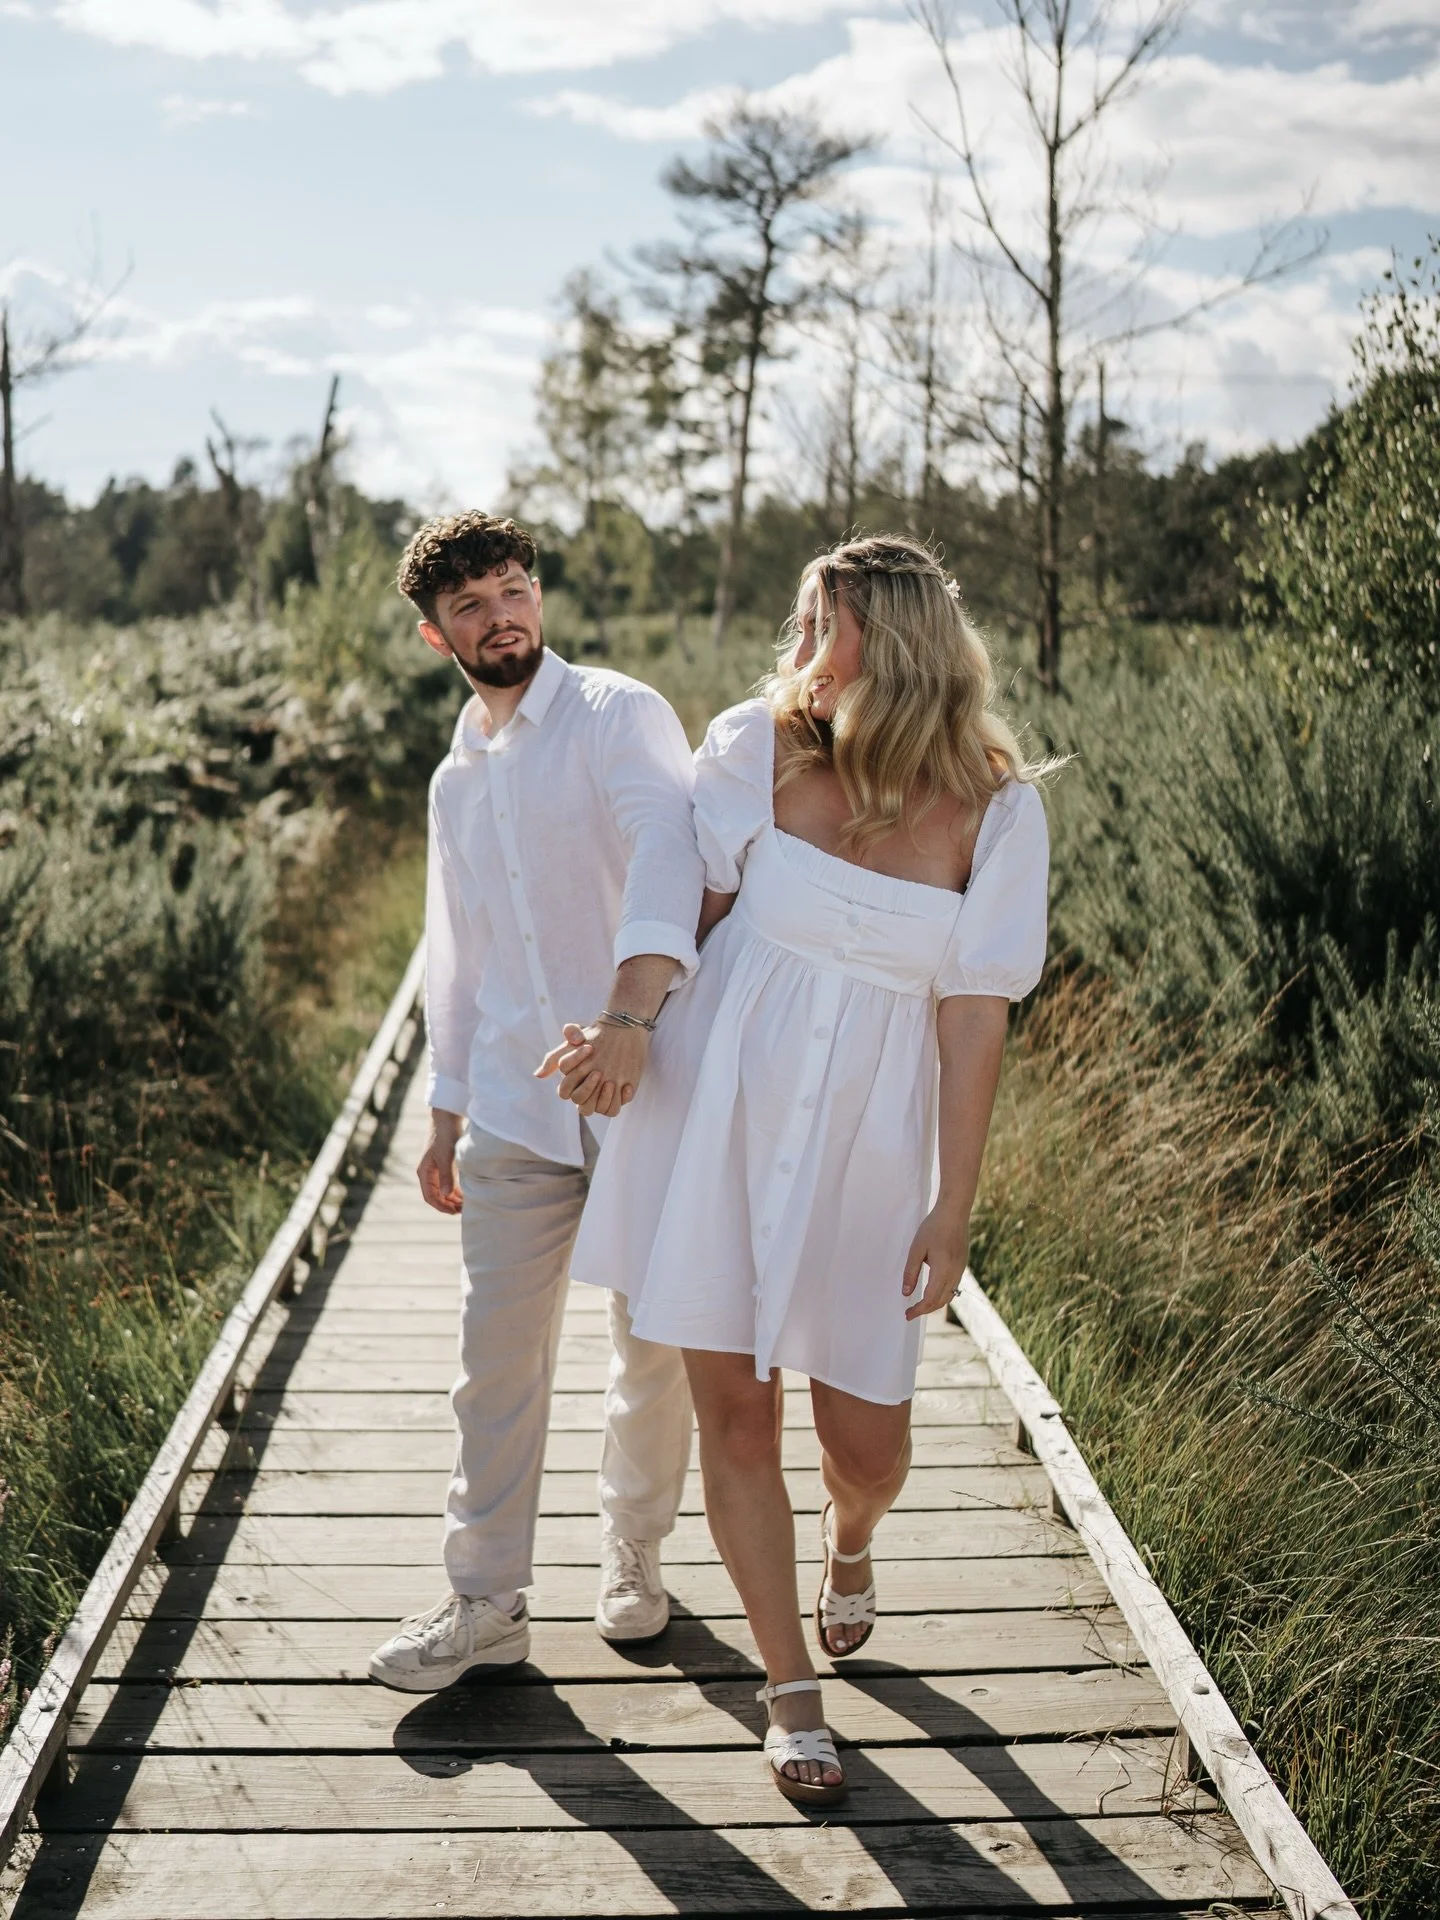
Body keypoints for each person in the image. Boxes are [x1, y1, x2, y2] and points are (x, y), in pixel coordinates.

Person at [566, 535, 1050, 1804]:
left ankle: (852, 1541)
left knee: (866, 1443)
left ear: (885, 646)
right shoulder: (754, 747)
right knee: (735, 1409)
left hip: (871, 1146)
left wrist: (954, 1198)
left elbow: (975, 1010)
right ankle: (789, 1693)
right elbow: (683, 899)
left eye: (815, 625)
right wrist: (628, 1020)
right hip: (718, 1111)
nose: (792, 653)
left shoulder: (998, 806)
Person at [368, 512, 703, 1693]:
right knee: (493, 1358)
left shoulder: (618, 714)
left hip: (642, 1077)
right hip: (514, 1098)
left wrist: (628, 1017)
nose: (500, 614)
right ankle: (485, 1602)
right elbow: (454, 955)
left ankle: (636, 1548)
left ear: (537, 595)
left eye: (513, 588)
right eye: (470, 605)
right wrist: (446, 1105)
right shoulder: (456, 779)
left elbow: (669, 849)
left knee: (649, 1339)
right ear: (435, 633)